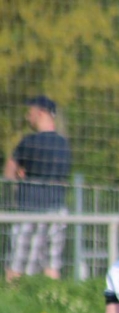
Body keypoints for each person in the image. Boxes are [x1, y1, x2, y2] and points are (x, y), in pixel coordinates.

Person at [4, 95, 72, 281]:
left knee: (17, 264)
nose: (27, 116)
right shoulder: (64, 144)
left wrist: (19, 175)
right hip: (57, 209)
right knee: (52, 265)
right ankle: (50, 297)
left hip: (30, 209)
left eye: (30, 112)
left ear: (41, 112)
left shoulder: (28, 142)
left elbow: (9, 173)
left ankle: (11, 295)